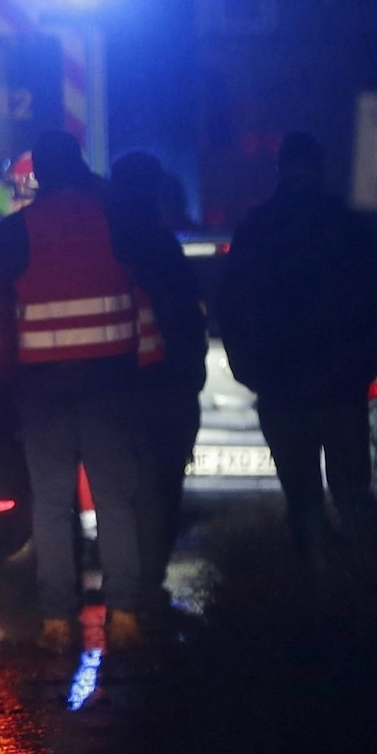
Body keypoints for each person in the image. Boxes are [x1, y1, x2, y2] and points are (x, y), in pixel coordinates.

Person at [0, 130, 152, 653]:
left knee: (53, 502)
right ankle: (125, 615)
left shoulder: (16, 232)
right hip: (110, 380)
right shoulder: (116, 219)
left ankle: (58, 621)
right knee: (114, 498)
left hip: (43, 384)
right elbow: (145, 290)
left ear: (40, 175)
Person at [219, 132, 377, 579]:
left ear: (280, 170)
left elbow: (231, 306)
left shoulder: (256, 230)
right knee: (353, 494)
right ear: (320, 168)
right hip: (341, 386)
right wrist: (366, 365)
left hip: (282, 389)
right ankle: (366, 593)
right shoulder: (349, 227)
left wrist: (251, 370)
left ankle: (318, 588)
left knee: (303, 500)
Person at [107, 151, 207, 620]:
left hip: (112, 388)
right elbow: (184, 320)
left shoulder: (105, 241)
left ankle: (129, 591)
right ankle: (145, 590)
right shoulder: (162, 246)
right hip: (163, 388)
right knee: (159, 491)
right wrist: (190, 380)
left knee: (122, 495)